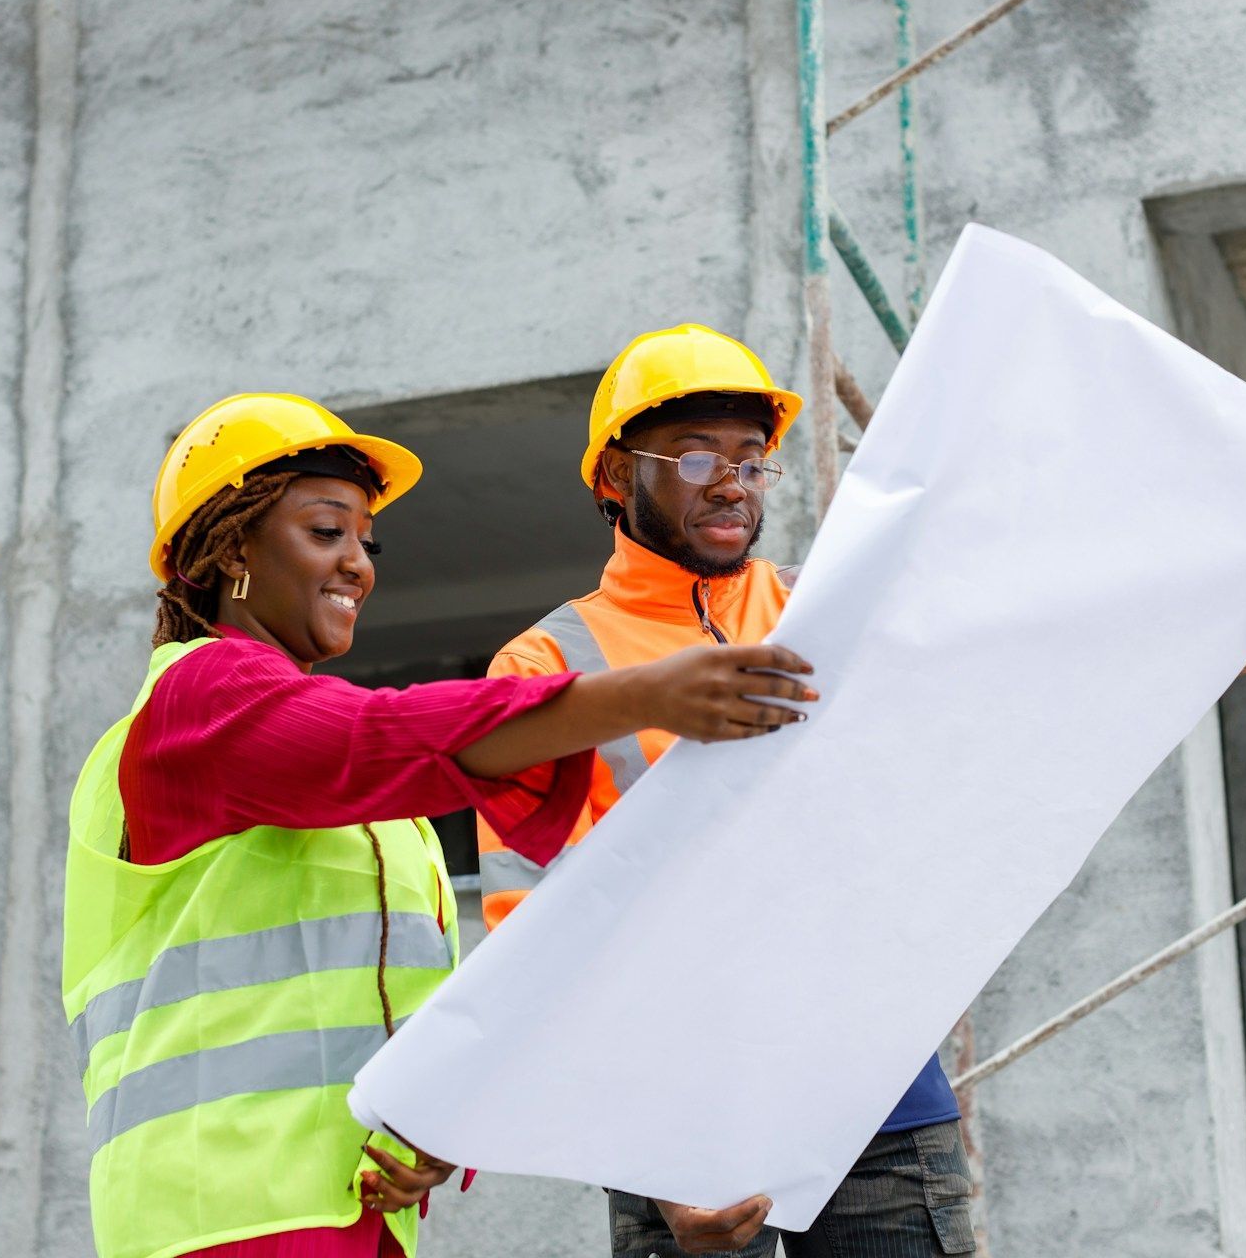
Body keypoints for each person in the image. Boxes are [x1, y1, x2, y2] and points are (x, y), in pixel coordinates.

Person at [477, 324, 1246, 1257]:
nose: (730, 482)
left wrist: (1232, 635)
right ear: (612, 478)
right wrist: (645, 1148)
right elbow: (532, 941)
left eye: (753, 461)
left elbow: (1036, 658)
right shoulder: (547, 664)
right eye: (691, 455)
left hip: (876, 1091)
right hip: (687, 1115)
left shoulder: (832, 610)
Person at [61, 392, 817, 1258]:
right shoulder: (199, 698)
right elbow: (384, 737)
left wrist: (430, 1119)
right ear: (232, 546)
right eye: (325, 532)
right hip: (224, 1214)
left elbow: (380, 989)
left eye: (365, 541)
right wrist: (639, 695)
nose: (358, 565)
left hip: (348, 1207)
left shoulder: (319, 763)